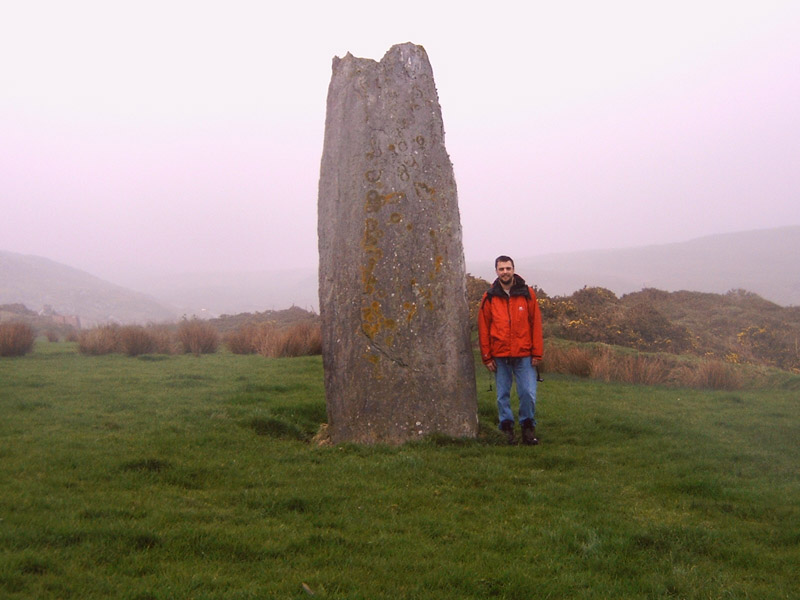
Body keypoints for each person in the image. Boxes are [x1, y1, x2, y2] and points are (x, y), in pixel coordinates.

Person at [478, 255, 544, 445]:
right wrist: (486, 356)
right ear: (496, 271)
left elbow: (536, 324)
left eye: (508, 268)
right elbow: (484, 327)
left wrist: (537, 352)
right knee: (502, 395)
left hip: (524, 354)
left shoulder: (527, 294)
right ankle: (506, 429)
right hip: (499, 355)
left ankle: (527, 427)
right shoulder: (489, 297)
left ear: (513, 269)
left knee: (528, 393)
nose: (505, 272)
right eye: (501, 269)